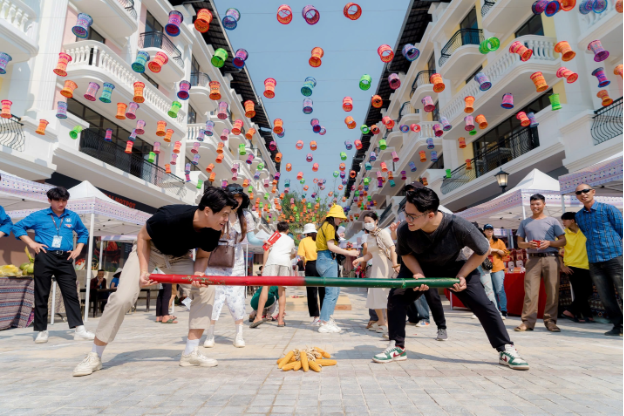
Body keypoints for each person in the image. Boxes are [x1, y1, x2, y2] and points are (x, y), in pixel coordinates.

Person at [71, 186, 238, 377]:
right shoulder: (169, 216)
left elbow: (201, 257)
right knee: (122, 298)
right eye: (224, 214)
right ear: (208, 210)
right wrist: (143, 271)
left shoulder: (213, 229)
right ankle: (94, 355)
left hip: (178, 258)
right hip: (149, 252)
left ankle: (191, 352)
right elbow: (142, 238)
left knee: (206, 289)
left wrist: (198, 276)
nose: (226, 220)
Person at [374, 187, 529, 371]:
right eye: (405, 214)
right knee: (396, 297)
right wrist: (418, 274)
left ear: (430, 215)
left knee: (483, 304)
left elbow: (483, 250)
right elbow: (406, 254)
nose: (407, 219)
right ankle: (397, 347)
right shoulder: (405, 229)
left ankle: (505, 349)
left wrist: (462, 275)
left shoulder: (458, 225)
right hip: (419, 267)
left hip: (455, 268)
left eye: (412, 216)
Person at [12, 187, 95, 344]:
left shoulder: (73, 216)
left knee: (71, 293)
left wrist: (78, 249)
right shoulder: (39, 216)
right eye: (58, 200)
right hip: (45, 256)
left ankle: (80, 329)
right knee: (42, 294)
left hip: (65, 258)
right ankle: (41, 330)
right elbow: (17, 227)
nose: (61, 204)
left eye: (64, 200)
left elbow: (83, 232)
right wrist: (31, 243)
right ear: (50, 200)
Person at [204, 184, 264, 349]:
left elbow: (251, 239)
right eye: (233, 197)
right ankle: (210, 334)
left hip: (236, 261)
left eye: (239, 197)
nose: (236, 200)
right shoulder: (219, 211)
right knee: (213, 298)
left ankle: (239, 334)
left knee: (236, 299)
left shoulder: (245, 216)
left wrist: (265, 242)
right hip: (215, 257)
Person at [389, 182, 449, 342]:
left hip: (427, 261)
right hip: (409, 259)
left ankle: (441, 326)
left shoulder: (430, 213)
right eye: (408, 192)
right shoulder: (405, 213)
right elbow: (397, 240)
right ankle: (398, 334)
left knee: (432, 295)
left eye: (413, 191)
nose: (410, 195)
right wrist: (394, 232)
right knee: (400, 292)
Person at [574, 184, 623, 336]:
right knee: (605, 297)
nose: (583, 194)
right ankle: (618, 326)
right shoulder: (579, 216)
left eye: (586, 191)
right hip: (594, 260)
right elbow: (586, 233)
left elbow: (621, 229)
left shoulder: (608, 209)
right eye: (579, 192)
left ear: (593, 192)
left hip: (614, 256)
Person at [516, 194, 566, 333]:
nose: (535, 207)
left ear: (544, 204)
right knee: (530, 292)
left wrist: (550, 243)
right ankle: (527, 322)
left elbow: (563, 240)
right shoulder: (524, 223)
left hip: (551, 257)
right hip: (532, 259)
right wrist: (527, 244)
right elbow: (520, 243)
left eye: (538, 204)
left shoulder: (553, 221)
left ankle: (550, 322)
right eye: (532, 204)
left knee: (552, 291)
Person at [353, 212, 400, 336]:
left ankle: (389, 325)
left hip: (385, 267)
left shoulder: (383, 233)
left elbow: (392, 248)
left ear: (376, 221)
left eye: (369, 221)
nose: (367, 224)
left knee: (384, 294)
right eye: (366, 222)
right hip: (375, 268)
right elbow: (369, 254)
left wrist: (395, 264)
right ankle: (381, 320)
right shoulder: (369, 237)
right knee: (374, 294)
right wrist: (360, 259)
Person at [316, 205, 360, 333]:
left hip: (325, 259)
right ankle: (324, 321)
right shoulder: (329, 227)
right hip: (327, 259)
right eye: (340, 218)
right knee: (331, 292)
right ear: (334, 217)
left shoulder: (326, 226)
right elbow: (331, 246)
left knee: (334, 291)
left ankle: (327, 319)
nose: (341, 220)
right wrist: (349, 253)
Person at [251, 221, 297, 328]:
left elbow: (266, 250)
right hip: (285, 263)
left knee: (265, 288)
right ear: (287, 230)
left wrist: (263, 266)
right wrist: (287, 258)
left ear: (277, 229)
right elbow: (294, 254)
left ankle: (258, 316)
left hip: (272, 261)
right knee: (282, 291)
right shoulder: (291, 240)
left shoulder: (273, 237)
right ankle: (280, 320)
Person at [559, 212, 593, 323]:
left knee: (584, 292)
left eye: (565, 220)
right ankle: (570, 311)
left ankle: (587, 316)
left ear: (572, 220)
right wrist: (562, 266)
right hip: (572, 266)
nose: (563, 222)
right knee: (584, 292)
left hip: (587, 265)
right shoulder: (563, 235)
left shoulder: (585, 231)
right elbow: (557, 252)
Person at [298, 223, 324, 326]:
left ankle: (316, 317)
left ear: (306, 233)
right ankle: (324, 316)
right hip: (322, 264)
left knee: (311, 292)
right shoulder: (320, 239)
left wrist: (305, 262)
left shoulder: (303, 241)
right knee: (323, 291)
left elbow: (301, 256)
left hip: (311, 265)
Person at [483, 224, 508, 319]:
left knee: (499, 290)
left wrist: (496, 250)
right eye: (487, 230)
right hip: (485, 269)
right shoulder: (482, 241)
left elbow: (505, 253)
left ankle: (504, 309)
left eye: (491, 229)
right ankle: (496, 310)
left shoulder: (498, 241)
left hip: (497, 268)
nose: (489, 231)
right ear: (484, 231)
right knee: (490, 291)